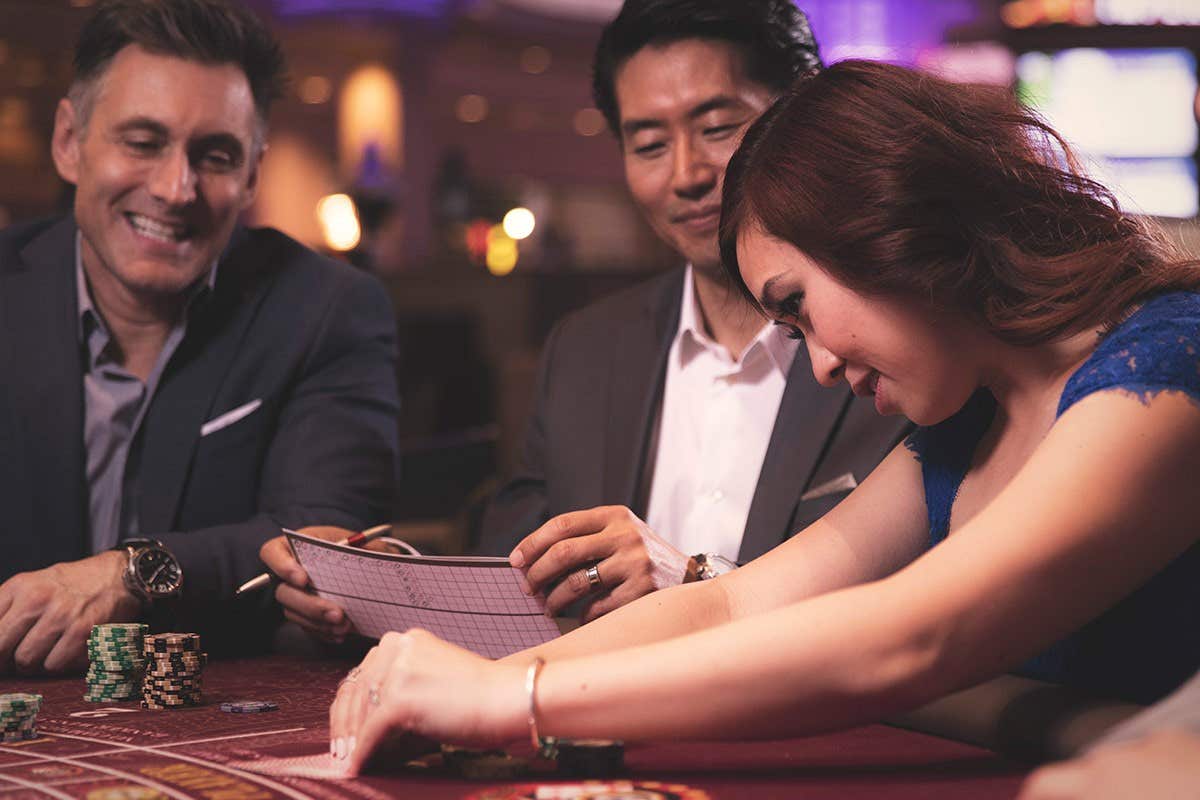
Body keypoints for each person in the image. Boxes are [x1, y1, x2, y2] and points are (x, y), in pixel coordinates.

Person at [324, 59, 1200, 772]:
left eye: (802, 306)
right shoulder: (965, 424)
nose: (818, 363)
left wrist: (504, 703)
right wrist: (468, 682)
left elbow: (916, 636)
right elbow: (736, 607)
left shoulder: (1168, 364)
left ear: (893, 229)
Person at [258, 0, 908, 645]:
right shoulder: (585, 350)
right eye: (649, 143)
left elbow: (921, 614)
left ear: (799, 118)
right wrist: (372, 590)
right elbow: (509, 582)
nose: (686, 174)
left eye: (716, 128)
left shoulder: (891, 341)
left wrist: (693, 583)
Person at [0, 0, 399, 673]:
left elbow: (327, 542)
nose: (175, 188)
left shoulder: (329, 309)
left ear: (251, 174)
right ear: (69, 141)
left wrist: (133, 572)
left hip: (216, 718)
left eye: (214, 155)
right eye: (143, 142)